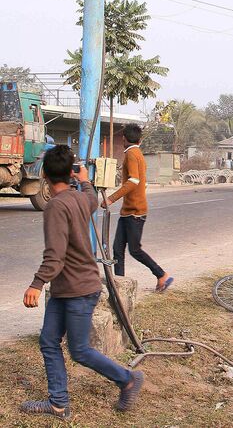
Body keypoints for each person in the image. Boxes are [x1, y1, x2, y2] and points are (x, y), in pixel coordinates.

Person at [21, 145, 144, 420]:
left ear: (44, 174)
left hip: (78, 290)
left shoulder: (56, 206)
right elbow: (91, 195)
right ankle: (58, 404)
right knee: (48, 341)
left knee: (80, 350)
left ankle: (128, 379)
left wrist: (36, 284)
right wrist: (86, 179)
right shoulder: (80, 198)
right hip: (68, 288)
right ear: (70, 173)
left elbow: (54, 256)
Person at [103, 124, 173, 292]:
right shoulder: (137, 153)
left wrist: (111, 198)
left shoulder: (132, 154)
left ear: (123, 139)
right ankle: (119, 285)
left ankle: (161, 274)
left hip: (135, 212)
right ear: (140, 140)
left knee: (134, 250)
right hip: (128, 211)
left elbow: (133, 181)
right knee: (117, 250)